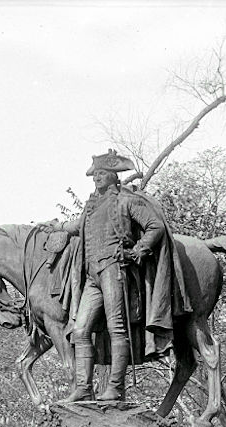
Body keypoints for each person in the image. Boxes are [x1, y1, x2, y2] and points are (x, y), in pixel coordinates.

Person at [54, 149, 188, 403]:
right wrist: (56, 227)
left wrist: (139, 249)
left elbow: (155, 226)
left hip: (114, 269)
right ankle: (83, 388)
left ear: (114, 176)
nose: (97, 179)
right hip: (92, 275)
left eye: (102, 174)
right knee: (80, 330)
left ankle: (116, 387)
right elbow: (76, 226)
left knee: (117, 328)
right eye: (95, 175)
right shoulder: (91, 206)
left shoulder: (126, 201)